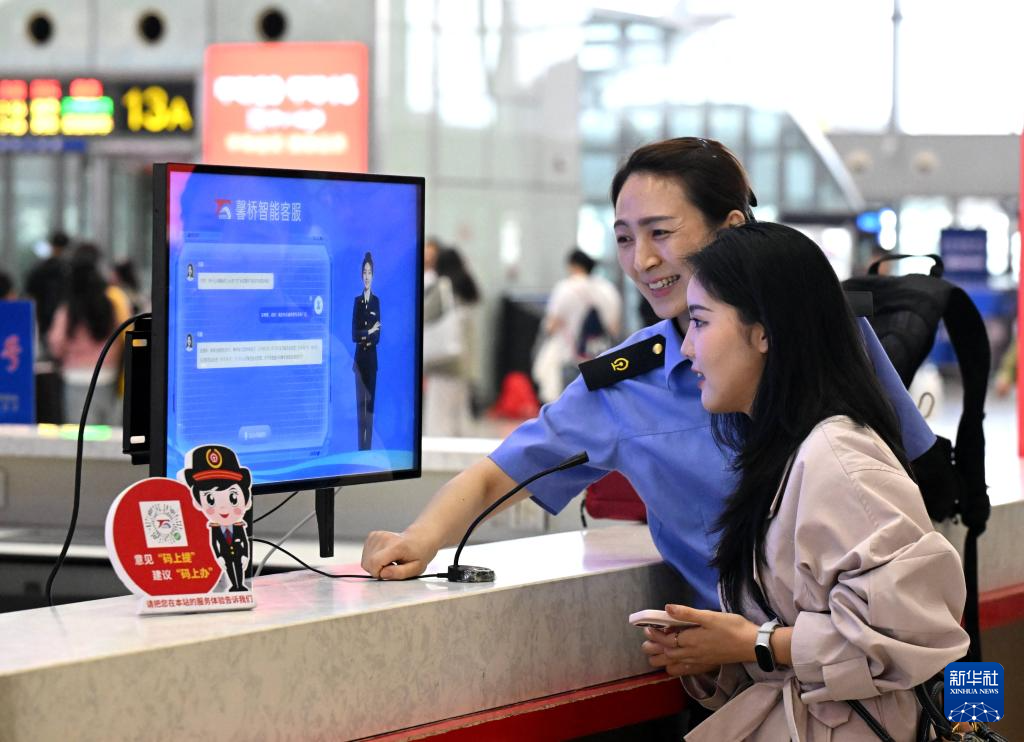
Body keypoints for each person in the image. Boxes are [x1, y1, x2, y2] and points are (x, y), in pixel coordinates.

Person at [361, 137, 935, 621]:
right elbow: (499, 475)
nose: (642, 261)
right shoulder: (624, 385)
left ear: (731, 228)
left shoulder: (832, 335)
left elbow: (907, 495)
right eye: (624, 238)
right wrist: (419, 539)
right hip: (745, 681)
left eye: (661, 232)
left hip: (867, 660)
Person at [638, 222, 967, 740]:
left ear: (764, 331)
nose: (686, 349)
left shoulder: (838, 458)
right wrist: (715, 653)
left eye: (699, 322)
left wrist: (756, 643)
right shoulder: (782, 455)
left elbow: (919, 634)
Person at [46, 244, 126, 424]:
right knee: (109, 433)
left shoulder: (69, 308)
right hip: (107, 375)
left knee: (81, 432)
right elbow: (121, 338)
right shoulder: (110, 304)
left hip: (75, 378)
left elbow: (56, 343)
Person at [531, 247, 623, 403]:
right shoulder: (607, 289)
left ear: (573, 266)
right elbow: (615, 329)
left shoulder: (565, 288)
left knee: (565, 401)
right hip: (600, 357)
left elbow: (551, 326)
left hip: (567, 357)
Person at [423, 244, 481, 437]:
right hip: (462, 362)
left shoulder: (443, 287)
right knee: (459, 416)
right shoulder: (466, 289)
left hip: (443, 364)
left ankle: (441, 455)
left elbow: (424, 314)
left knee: (438, 418)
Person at [183, 444, 253, 592]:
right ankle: (234, 585)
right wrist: (219, 556)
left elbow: (244, 541)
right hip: (225, 554)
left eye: (233, 497)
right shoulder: (214, 528)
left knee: (238, 567)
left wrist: (245, 555)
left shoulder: (239, 526)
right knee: (230, 568)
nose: (223, 509)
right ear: (197, 501)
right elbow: (214, 543)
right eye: (211, 500)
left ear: (246, 498)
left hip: (238, 553)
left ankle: (239, 585)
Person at [352, 251, 381, 450]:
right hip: (359, 360)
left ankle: (368, 448)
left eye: (370, 272)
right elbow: (354, 335)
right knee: (359, 406)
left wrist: (368, 335)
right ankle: (360, 447)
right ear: (361, 275)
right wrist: (368, 331)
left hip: (371, 361)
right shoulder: (357, 301)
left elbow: (377, 337)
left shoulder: (376, 302)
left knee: (370, 407)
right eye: (364, 272)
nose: (367, 276)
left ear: (373, 275)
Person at [24, 230, 71, 341]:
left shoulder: (40, 268)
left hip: (44, 314)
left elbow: (30, 290)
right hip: (64, 315)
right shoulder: (70, 268)